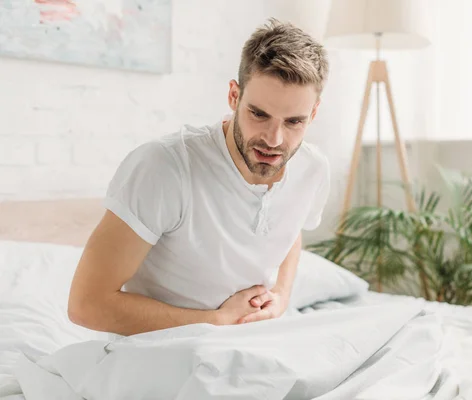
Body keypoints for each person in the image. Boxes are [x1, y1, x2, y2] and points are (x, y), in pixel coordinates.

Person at [67, 18, 330, 336]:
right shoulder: (164, 168)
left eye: (294, 121)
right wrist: (215, 321)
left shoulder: (312, 169)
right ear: (234, 96)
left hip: (254, 340)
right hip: (162, 349)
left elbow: (289, 229)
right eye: (259, 114)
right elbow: (86, 304)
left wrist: (282, 297)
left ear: (313, 114)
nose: (274, 140)